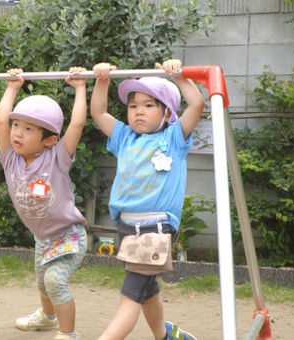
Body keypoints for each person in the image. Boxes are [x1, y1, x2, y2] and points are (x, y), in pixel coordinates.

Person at [90, 59, 204, 340]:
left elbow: (197, 105)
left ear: (167, 114)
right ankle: (165, 337)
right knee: (147, 290)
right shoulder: (125, 137)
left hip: (155, 228)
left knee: (131, 296)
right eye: (133, 105)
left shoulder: (173, 138)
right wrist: (102, 81)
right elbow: (98, 113)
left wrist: (178, 76)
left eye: (149, 105)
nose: (138, 111)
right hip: (127, 228)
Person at [0, 66, 88, 340]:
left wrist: (81, 89)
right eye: (16, 126)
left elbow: (78, 125)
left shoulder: (56, 158)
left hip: (68, 234)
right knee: (43, 284)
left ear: (50, 140)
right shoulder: (10, 159)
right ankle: (47, 318)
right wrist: (12, 88)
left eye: (28, 129)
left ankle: (68, 333)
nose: (17, 134)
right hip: (42, 238)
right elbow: (0, 122)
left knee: (54, 281)